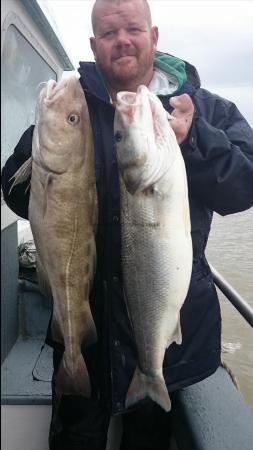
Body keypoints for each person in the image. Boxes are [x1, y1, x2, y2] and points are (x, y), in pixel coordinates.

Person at [2, 0, 253, 449]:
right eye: (110, 33)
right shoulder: (72, 106)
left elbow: (244, 188)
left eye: (133, 29)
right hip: (87, 332)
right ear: (95, 45)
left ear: (153, 36)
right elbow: (14, 189)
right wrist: (48, 184)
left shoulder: (202, 110)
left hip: (167, 341)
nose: (123, 41)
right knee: (73, 440)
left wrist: (195, 139)